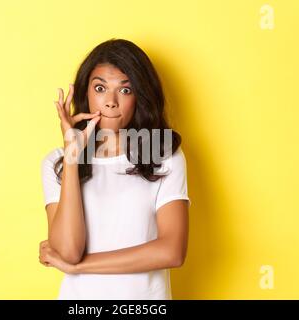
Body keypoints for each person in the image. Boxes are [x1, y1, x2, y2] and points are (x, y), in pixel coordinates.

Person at [39, 38, 191, 300]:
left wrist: (80, 267)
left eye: (124, 90)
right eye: (100, 88)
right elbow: (67, 252)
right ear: (86, 93)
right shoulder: (58, 163)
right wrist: (73, 158)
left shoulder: (163, 156)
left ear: (140, 97)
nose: (110, 102)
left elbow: (172, 251)